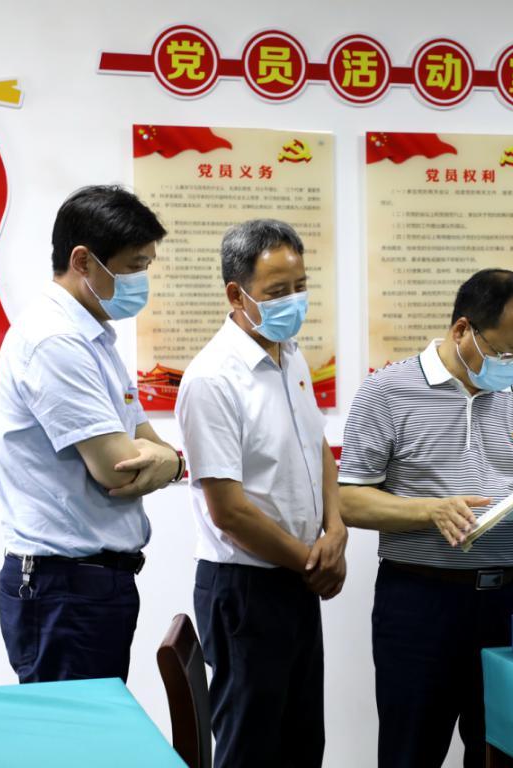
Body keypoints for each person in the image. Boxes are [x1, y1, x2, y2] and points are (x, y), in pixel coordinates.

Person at [339, 269, 513, 768]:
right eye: (505, 353)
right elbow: (350, 500)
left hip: (511, 598)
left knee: (506, 753)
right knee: (411, 752)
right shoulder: (386, 391)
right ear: (462, 330)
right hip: (421, 601)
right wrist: (429, 510)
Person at [0, 185, 184, 683]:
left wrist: (167, 460)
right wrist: (175, 464)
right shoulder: (56, 341)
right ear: (83, 260)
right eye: (134, 266)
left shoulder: (93, 338)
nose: (142, 280)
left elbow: (150, 443)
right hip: (64, 587)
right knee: (70, 728)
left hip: (89, 584)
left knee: (94, 722)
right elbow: (119, 470)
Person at [176, 219, 346, 768]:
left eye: (300, 285)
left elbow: (317, 447)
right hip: (246, 588)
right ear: (236, 294)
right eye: (277, 291)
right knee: (251, 748)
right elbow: (228, 511)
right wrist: (312, 562)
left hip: (298, 576)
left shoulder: (289, 353)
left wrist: (336, 529)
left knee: (302, 743)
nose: (294, 300)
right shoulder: (213, 378)